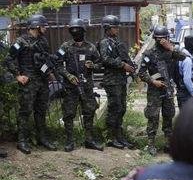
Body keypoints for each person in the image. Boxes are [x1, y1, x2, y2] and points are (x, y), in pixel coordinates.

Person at [4, 14, 57, 154]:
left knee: (41, 110)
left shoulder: (43, 41)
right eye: (43, 26)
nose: (45, 28)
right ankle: (22, 141)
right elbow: (8, 59)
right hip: (28, 83)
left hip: (42, 82)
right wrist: (18, 75)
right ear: (36, 26)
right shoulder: (20, 42)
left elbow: (45, 60)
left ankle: (42, 138)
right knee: (25, 112)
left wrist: (49, 72)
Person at [56, 18, 103, 152]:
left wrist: (93, 65)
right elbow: (57, 64)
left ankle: (89, 140)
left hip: (86, 86)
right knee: (69, 114)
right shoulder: (65, 47)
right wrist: (68, 76)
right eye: (73, 30)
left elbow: (100, 63)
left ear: (83, 31)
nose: (76, 32)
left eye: (78, 30)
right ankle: (70, 141)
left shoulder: (91, 47)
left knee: (89, 112)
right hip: (71, 87)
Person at [138, 26, 186, 156]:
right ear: (155, 38)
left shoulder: (171, 52)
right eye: (159, 38)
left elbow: (184, 57)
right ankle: (151, 144)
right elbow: (141, 72)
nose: (162, 41)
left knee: (168, 115)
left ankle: (168, 143)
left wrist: (171, 47)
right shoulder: (149, 53)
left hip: (168, 88)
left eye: (164, 38)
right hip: (155, 89)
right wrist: (153, 81)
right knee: (153, 116)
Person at [99, 14, 135, 149]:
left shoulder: (118, 42)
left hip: (121, 80)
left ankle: (119, 135)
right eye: (115, 27)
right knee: (115, 108)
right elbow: (105, 59)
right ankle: (111, 137)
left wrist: (131, 66)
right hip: (111, 81)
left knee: (122, 108)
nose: (117, 29)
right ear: (107, 28)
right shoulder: (104, 43)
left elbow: (125, 58)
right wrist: (122, 65)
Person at [175, 35, 193, 108]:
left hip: (182, 91)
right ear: (191, 47)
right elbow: (187, 79)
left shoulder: (181, 55)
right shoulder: (187, 60)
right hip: (186, 94)